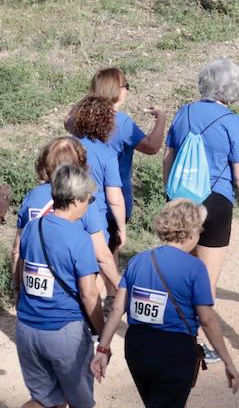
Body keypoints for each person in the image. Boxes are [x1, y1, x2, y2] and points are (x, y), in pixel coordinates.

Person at [93, 199, 239, 404]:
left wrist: (102, 348)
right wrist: (227, 360)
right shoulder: (195, 267)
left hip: (137, 348)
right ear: (190, 231)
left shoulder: (138, 260)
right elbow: (206, 319)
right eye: (200, 230)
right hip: (174, 351)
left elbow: (118, 308)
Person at [163, 57, 239, 360]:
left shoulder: (184, 112)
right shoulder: (233, 122)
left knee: (177, 270)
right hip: (216, 201)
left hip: (181, 199)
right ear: (233, 90)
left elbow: (168, 157)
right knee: (206, 279)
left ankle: (171, 333)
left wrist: (171, 194)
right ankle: (198, 342)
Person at [14, 164, 103, 408]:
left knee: (43, 401)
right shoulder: (79, 238)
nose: (89, 204)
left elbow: (20, 272)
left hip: (27, 330)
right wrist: (103, 334)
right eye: (89, 198)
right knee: (80, 403)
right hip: (64, 333)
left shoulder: (34, 227)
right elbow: (89, 294)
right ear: (75, 201)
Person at [65, 68, 166, 256]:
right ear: (117, 91)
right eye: (126, 86)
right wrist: (161, 118)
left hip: (80, 196)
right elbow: (152, 147)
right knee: (108, 257)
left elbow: (67, 121)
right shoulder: (121, 122)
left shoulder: (82, 119)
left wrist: (90, 97)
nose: (127, 90)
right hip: (114, 201)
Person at [13, 139, 120, 298]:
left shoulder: (32, 197)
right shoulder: (81, 200)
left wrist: (16, 287)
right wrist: (119, 284)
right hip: (68, 287)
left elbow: (17, 249)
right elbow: (102, 254)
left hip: (33, 286)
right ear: (77, 165)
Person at [68, 98, 126, 262]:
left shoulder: (67, 145)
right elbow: (114, 199)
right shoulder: (107, 154)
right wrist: (121, 228)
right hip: (95, 219)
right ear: (107, 123)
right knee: (95, 271)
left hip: (64, 214)